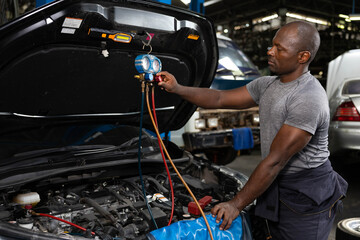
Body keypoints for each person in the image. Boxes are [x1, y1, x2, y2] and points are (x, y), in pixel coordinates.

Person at [157, 21, 348, 240]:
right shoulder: (268, 84)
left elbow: (275, 161)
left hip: (304, 192)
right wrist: (177, 88)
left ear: (302, 57)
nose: (270, 51)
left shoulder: (308, 98)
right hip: (274, 182)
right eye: (272, 45)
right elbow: (219, 98)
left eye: (280, 48)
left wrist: (235, 204)